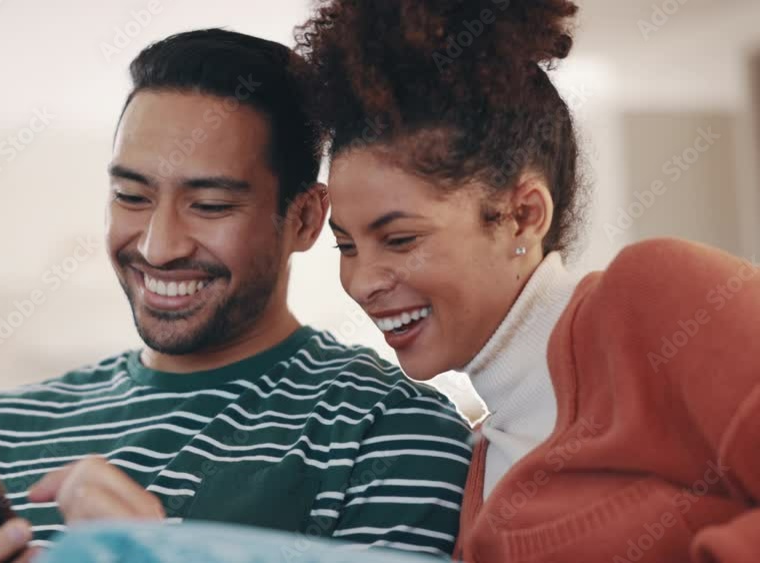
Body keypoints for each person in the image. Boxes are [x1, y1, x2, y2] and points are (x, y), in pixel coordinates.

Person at [0, 28, 471, 563]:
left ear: (304, 217)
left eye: (210, 205)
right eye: (131, 196)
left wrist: (161, 551)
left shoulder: (391, 434)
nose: (159, 245)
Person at [295, 1, 760, 562]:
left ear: (523, 216)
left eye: (400, 240)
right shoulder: (480, 466)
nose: (362, 281)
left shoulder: (655, 303)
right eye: (346, 246)